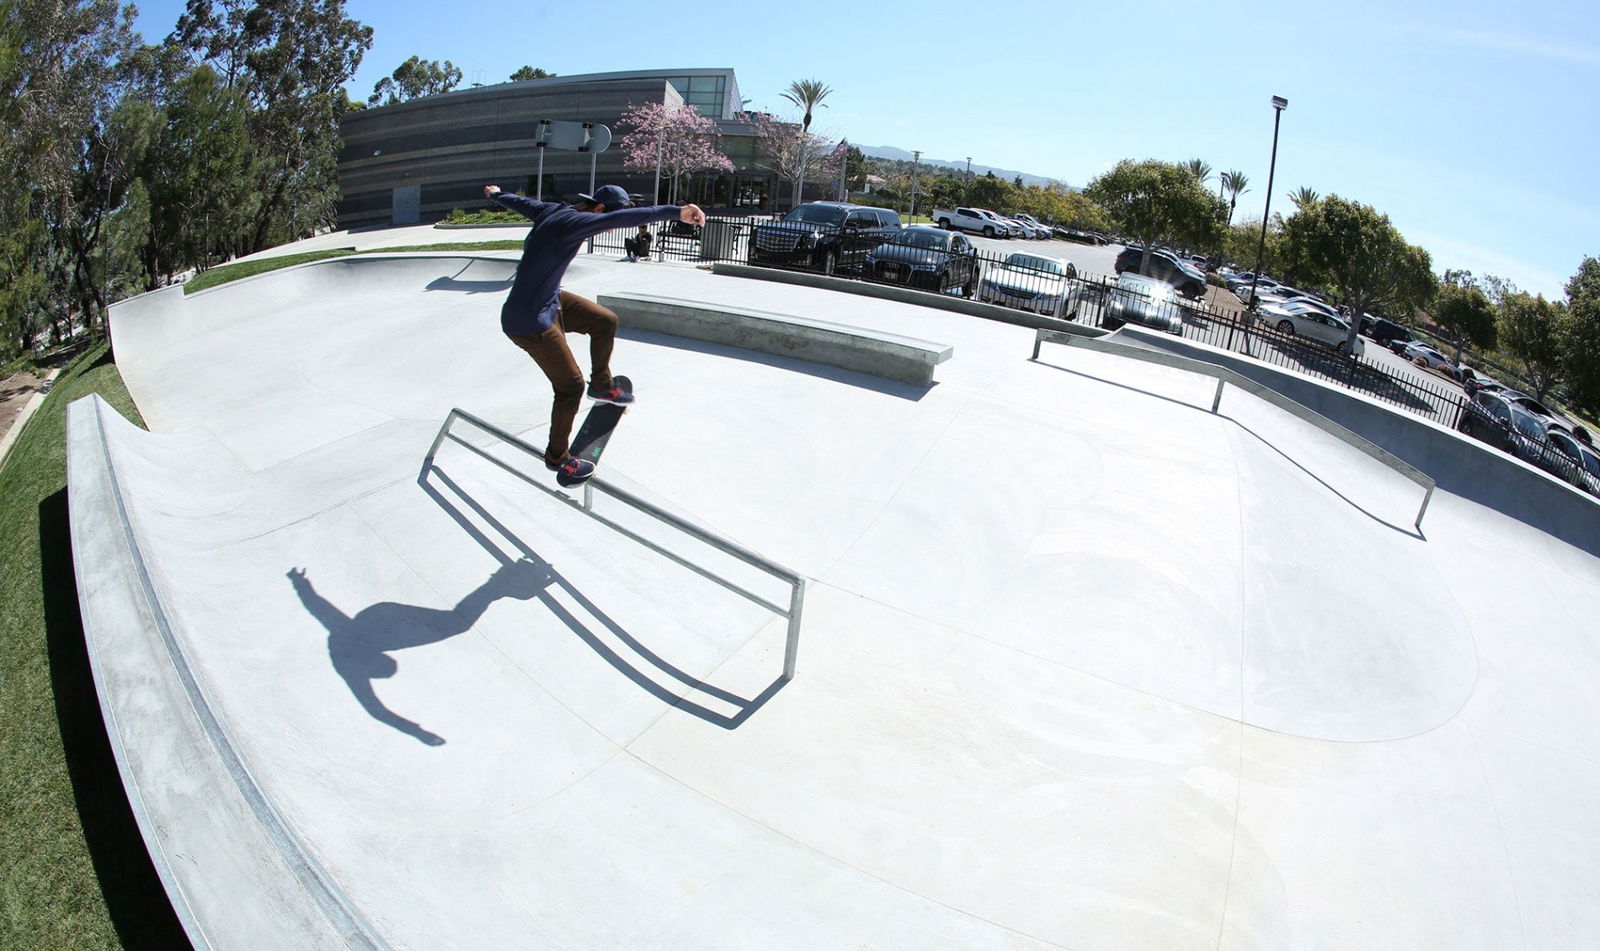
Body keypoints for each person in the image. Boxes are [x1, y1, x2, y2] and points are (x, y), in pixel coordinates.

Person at [483, 183, 706, 482]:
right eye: (603, 220)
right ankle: (557, 457)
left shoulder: (553, 210)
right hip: (529, 322)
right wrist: (676, 212)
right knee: (570, 387)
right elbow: (623, 219)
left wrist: (496, 194)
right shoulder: (576, 222)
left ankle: (601, 384)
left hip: (551, 301)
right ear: (599, 210)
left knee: (605, 320)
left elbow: (521, 202)